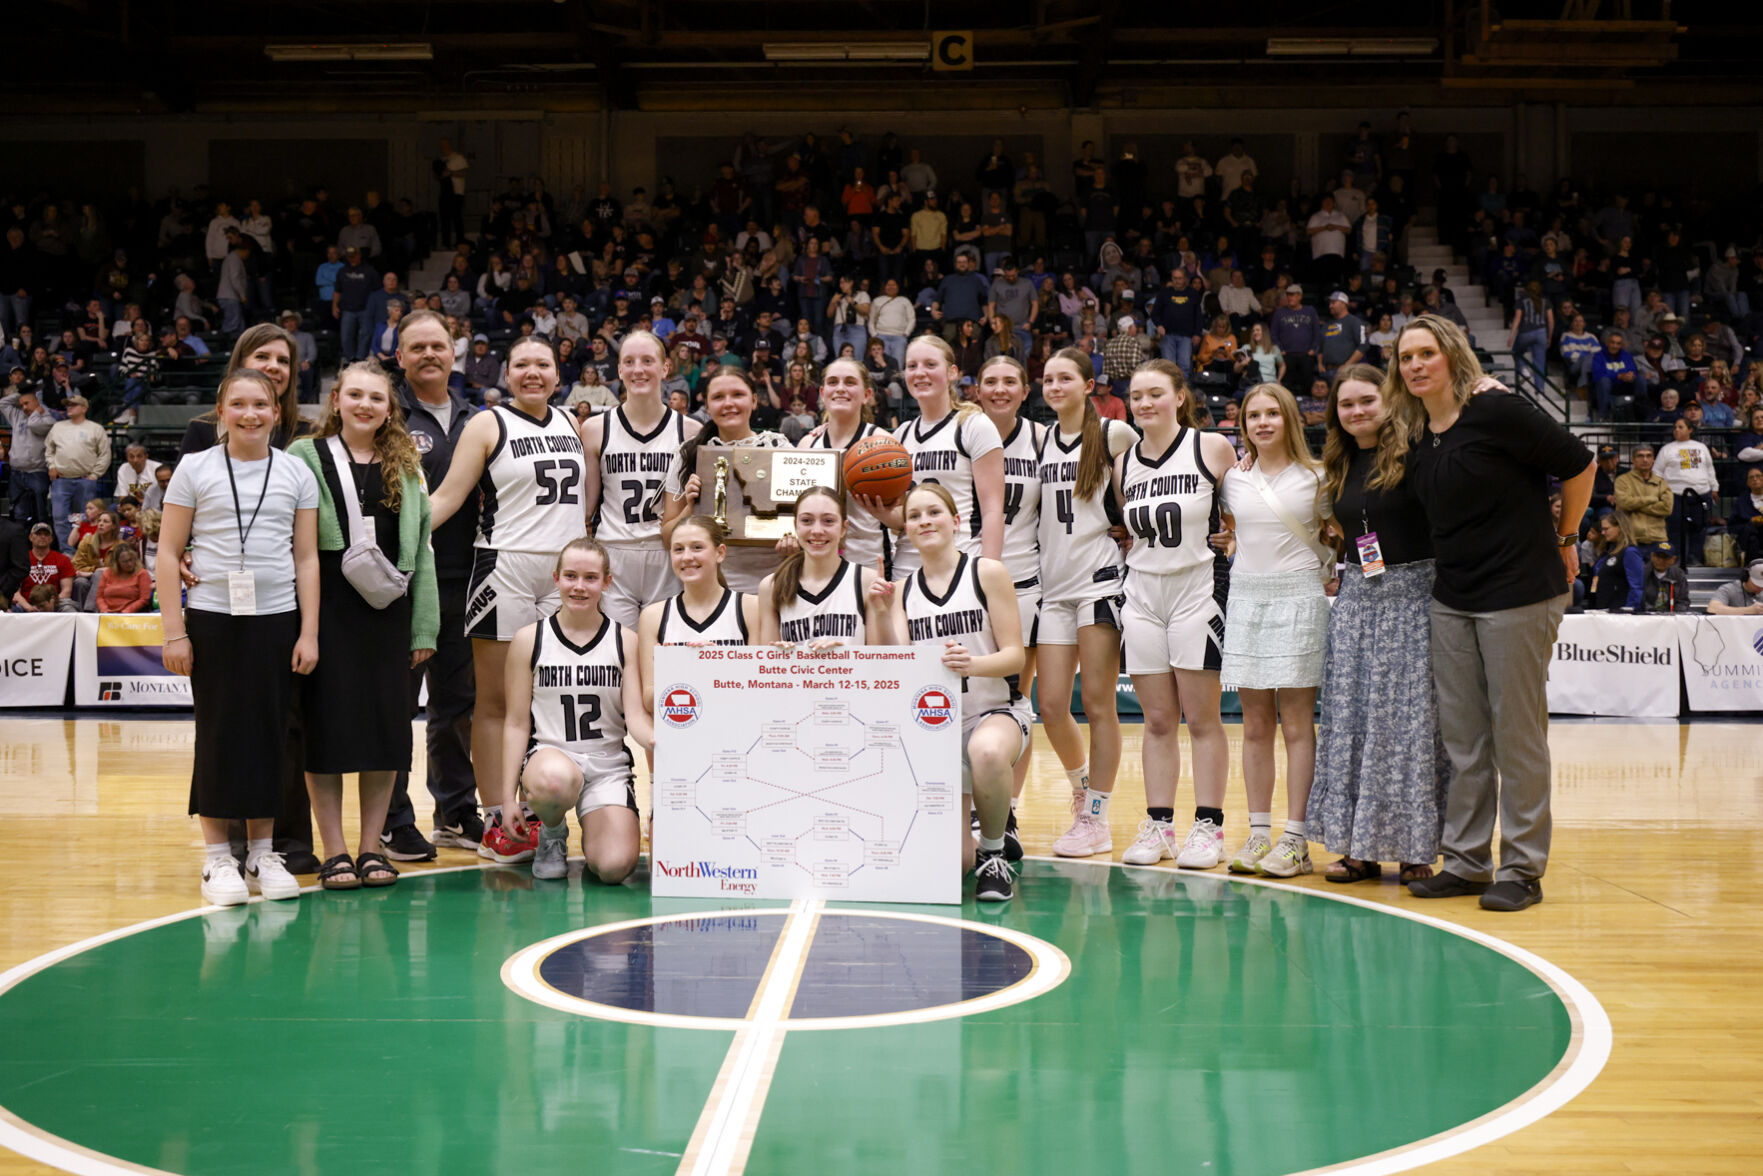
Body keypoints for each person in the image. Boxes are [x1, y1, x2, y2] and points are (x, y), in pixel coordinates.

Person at [1386, 314, 1595, 912]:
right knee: (1465, 739)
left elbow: (1580, 464)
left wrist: (1567, 534)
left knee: (1516, 734)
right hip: (1452, 599)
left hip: (1521, 591)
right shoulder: (1419, 432)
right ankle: (1469, 862)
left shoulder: (1496, 410)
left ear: (1452, 356)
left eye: (1426, 353)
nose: (1416, 365)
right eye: (1406, 358)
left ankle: (1523, 869)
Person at [156, 370, 320, 907]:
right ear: (220, 412)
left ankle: (262, 851)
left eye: (261, 405)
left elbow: (306, 557)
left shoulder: (296, 471)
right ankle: (216, 861)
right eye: (239, 404)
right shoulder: (195, 468)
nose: (250, 414)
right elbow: (166, 551)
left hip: (277, 619)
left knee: (270, 733)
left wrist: (310, 632)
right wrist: (174, 632)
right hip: (211, 618)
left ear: (277, 411)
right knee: (219, 733)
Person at [428, 337, 589, 863]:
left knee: (548, 702)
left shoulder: (573, 423)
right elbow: (449, 498)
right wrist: (391, 539)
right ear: (507, 372)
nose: (533, 373)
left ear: (558, 373)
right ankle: (498, 817)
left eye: (543, 364)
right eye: (522, 365)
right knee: (494, 703)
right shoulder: (488, 423)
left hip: (565, 573)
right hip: (505, 567)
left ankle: (544, 815)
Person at [288, 361, 439, 891]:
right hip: (325, 608)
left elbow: (420, 551)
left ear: (389, 408)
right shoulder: (305, 456)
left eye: (376, 398)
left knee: (385, 736)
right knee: (325, 733)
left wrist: (424, 628)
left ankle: (372, 847)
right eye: (355, 395)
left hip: (389, 615)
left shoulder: (407, 462)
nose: (365, 405)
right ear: (336, 400)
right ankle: (334, 852)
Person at [1308, 364, 1450, 884]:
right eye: (1346, 405)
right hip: (1357, 600)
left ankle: (1417, 849)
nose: (1357, 412)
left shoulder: (1418, 452)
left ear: (1388, 401)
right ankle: (1357, 849)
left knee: (1411, 728)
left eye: (1367, 400)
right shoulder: (1338, 464)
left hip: (1415, 599)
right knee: (1353, 724)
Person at [1111, 359, 1237, 868]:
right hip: (1141, 595)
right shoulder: (1123, 464)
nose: (1145, 403)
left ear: (1180, 397)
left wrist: (1233, 538)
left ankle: (1209, 827)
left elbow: (1241, 513)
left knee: (1203, 718)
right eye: (1137, 395)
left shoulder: (1210, 447)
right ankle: (1160, 827)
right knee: (1157, 720)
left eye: (1156, 393)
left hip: (1197, 590)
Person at [882, 482, 1027, 902]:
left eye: (934, 512)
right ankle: (975, 843)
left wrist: (974, 664)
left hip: (995, 712)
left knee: (987, 751)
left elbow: (1016, 656)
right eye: (914, 516)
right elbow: (901, 666)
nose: (924, 521)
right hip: (934, 728)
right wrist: (879, 612)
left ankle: (995, 851)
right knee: (949, 869)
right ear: (905, 529)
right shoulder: (903, 590)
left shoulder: (987, 572)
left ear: (956, 520)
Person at [1016, 348, 1134, 861]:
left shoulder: (1113, 434)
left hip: (1099, 581)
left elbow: (1152, 478)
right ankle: (1081, 788)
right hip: (1053, 587)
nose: (1054, 385)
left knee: (1100, 704)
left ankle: (1097, 819)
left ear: (1089, 385)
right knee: (1050, 705)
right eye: (1047, 379)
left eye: (1065, 377)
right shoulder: (1041, 441)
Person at [1215, 382, 1335, 879]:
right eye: (1253, 415)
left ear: (1290, 418)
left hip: (1300, 598)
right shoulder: (1231, 480)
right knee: (1255, 724)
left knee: (1298, 724)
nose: (1263, 423)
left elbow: (1338, 534)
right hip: (1246, 599)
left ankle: (1296, 839)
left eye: (1272, 414)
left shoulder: (1320, 477)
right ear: (1243, 425)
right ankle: (1260, 831)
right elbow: (1227, 531)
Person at [384, 310, 484, 856]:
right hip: (402, 582)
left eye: (437, 346)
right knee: (396, 703)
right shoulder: (386, 414)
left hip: (468, 578)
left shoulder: (479, 418)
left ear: (454, 353)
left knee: (456, 705)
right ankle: (393, 816)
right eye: (416, 347)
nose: (428, 354)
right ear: (400, 357)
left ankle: (455, 810)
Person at [502, 539, 652, 883]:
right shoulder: (530, 639)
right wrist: (506, 799)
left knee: (615, 867)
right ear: (556, 578)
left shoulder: (624, 640)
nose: (579, 586)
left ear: (607, 582)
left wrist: (663, 740)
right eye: (570, 576)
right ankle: (552, 833)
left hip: (607, 765)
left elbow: (637, 718)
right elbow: (515, 723)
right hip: (550, 761)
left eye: (590, 577)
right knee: (556, 780)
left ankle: (597, 829)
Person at [581, 330, 700, 628]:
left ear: (665, 368)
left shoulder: (691, 430)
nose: (638, 369)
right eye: (629, 362)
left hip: (668, 555)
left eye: (648, 361)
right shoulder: (596, 428)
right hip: (614, 554)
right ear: (619, 369)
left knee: (664, 657)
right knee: (619, 655)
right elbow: (586, 511)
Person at [973, 356, 1044, 851]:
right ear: (977, 390)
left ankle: (1007, 812)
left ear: (1024, 390)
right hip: (960, 581)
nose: (1000, 389)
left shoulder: (1042, 440)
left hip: (1023, 582)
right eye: (990, 382)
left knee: (1015, 700)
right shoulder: (961, 433)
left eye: (1009, 382)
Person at [877, 335, 1006, 579]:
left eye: (930, 364)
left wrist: (989, 575)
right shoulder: (902, 434)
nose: (920, 373)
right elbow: (903, 517)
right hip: (907, 570)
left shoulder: (974, 425)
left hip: (962, 563)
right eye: (912, 366)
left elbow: (992, 511)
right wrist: (879, 512)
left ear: (952, 372)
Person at [660, 368, 792, 593]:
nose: (728, 403)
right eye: (719, 397)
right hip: (710, 586)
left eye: (737, 395)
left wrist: (793, 542)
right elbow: (666, 537)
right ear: (708, 406)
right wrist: (692, 508)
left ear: (754, 401)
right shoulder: (689, 453)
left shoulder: (779, 448)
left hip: (771, 582)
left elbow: (799, 522)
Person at [758, 488, 894, 649]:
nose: (817, 531)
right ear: (796, 525)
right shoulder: (771, 586)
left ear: (844, 528)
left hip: (852, 675)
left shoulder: (866, 581)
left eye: (828, 521)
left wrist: (841, 657)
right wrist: (784, 656)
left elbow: (881, 663)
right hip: (795, 675)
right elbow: (767, 666)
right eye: (807, 520)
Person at [799, 358, 890, 570]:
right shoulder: (808, 443)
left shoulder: (882, 443)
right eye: (833, 382)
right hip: (815, 562)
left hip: (867, 561)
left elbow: (900, 516)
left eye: (850, 382)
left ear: (867, 395)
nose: (840, 388)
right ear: (822, 394)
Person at [45, 396, 110, 555]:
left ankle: (85, 551)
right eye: (68, 405)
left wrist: (95, 474)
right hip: (61, 479)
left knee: (87, 517)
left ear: (84, 408)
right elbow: (49, 449)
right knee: (60, 517)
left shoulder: (95, 428)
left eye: (74, 405)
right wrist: (52, 466)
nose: (69, 407)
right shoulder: (58, 427)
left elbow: (105, 454)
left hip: (85, 478)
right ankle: (67, 553)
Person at [1655, 417, 1718, 567]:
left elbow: (1709, 468)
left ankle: (1694, 558)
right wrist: (1659, 493)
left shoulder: (1701, 447)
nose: (1677, 430)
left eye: (1681, 427)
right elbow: (1657, 472)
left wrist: (1714, 487)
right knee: (1675, 528)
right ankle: (1675, 558)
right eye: (1675, 427)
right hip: (1675, 494)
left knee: (1699, 527)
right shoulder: (1667, 449)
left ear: (1690, 430)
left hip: (1701, 492)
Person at [1, 386, 53, 528]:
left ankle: (41, 542)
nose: (23, 407)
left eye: (27, 403)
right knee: (18, 514)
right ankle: (20, 544)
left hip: (37, 472)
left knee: (41, 514)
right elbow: (2, 404)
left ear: (37, 402)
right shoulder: (17, 416)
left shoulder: (47, 417)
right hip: (17, 472)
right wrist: (22, 393)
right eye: (21, 404)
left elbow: (34, 425)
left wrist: (36, 413)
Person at [1613, 444, 1672, 555]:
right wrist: (1652, 499)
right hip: (1631, 538)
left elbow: (1667, 508)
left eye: (1648, 456)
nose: (1645, 460)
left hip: (1657, 537)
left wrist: (1636, 506)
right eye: (1640, 456)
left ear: (1653, 459)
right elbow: (1624, 503)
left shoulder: (1661, 482)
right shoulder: (1623, 480)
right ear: (1633, 460)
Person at [1586, 510, 1645, 613]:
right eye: (1602, 529)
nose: (1603, 533)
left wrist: (1629, 610)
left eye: (1606, 529)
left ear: (1620, 527)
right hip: (1603, 609)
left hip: (1620, 614)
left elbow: (1636, 586)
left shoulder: (1630, 552)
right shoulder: (1607, 552)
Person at [14, 522, 76, 612]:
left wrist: (50, 605)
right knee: (13, 610)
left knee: (69, 608)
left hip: (54, 603)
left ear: (51, 539)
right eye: (38, 534)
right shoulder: (20, 560)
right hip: (27, 604)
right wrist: (28, 607)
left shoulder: (63, 559)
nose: (43, 537)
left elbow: (66, 590)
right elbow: (15, 592)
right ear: (31, 537)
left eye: (46, 534)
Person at [1506, 281, 1554, 397]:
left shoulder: (1522, 300)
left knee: (1517, 351)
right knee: (1539, 362)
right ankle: (1540, 391)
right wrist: (1549, 337)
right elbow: (1551, 321)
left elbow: (1517, 318)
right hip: (1541, 332)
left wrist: (1511, 336)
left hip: (1526, 331)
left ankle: (1523, 369)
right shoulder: (1545, 301)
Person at [1641, 542, 1690, 613]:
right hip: (1646, 615)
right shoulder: (1643, 572)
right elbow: (1639, 598)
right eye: (1658, 556)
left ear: (1673, 559)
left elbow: (1683, 600)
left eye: (1665, 557)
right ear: (1652, 556)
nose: (1661, 560)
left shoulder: (1678, 574)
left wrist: (1676, 616)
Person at [1729, 466, 1763, 564]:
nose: (1755, 479)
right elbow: (1733, 525)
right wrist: (1751, 521)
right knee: (1752, 538)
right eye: (1751, 477)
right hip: (1751, 536)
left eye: (1758, 476)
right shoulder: (1742, 501)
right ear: (1747, 483)